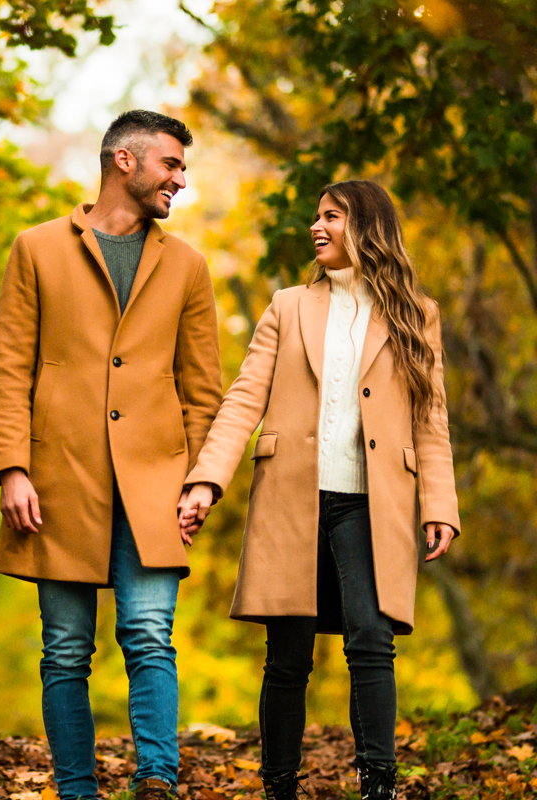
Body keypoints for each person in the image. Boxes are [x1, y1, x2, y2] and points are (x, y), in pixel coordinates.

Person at [178, 180, 460, 800]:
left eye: (331, 216)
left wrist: (439, 504)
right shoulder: (287, 305)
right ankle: (278, 783)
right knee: (288, 652)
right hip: (291, 498)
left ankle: (379, 783)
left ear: (367, 227)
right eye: (316, 217)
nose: (317, 227)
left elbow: (430, 419)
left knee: (372, 638)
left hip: (371, 502)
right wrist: (206, 480)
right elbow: (244, 398)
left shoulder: (417, 313)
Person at [0, 110, 222, 800]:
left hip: (156, 484)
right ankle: (77, 789)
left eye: (182, 167)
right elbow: (9, 369)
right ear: (125, 160)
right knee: (65, 649)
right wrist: (12, 468)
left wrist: (200, 482)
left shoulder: (187, 266)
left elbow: (203, 391)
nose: (181, 178)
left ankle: (157, 779)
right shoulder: (36, 249)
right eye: (171, 164)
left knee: (149, 635)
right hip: (58, 479)